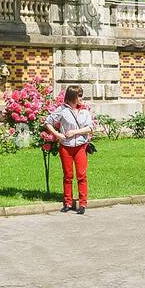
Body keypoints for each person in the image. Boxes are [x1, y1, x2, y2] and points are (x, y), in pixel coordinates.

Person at [44, 85, 97, 214]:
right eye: (79, 95)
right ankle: (67, 202)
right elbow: (48, 122)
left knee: (81, 175)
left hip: (80, 147)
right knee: (68, 176)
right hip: (66, 147)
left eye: (81, 95)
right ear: (72, 96)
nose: (81, 98)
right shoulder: (62, 110)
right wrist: (57, 135)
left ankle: (82, 203)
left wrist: (74, 132)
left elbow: (90, 128)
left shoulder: (84, 110)